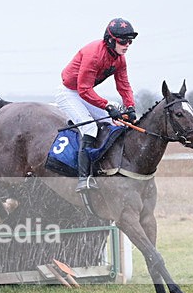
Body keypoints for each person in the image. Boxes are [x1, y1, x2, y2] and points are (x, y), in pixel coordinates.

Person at [56, 17, 138, 192]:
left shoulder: (120, 59)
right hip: (69, 93)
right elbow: (83, 89)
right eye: (123, 41)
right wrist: (107, 106)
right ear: (110, 40)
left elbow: (124, 86)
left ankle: (105, 168)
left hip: (84, 93)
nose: (127, 45)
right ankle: (83, 179)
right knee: (91, 129)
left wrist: (130, 107)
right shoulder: (94, 55)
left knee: (114, 122)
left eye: (129, 41)